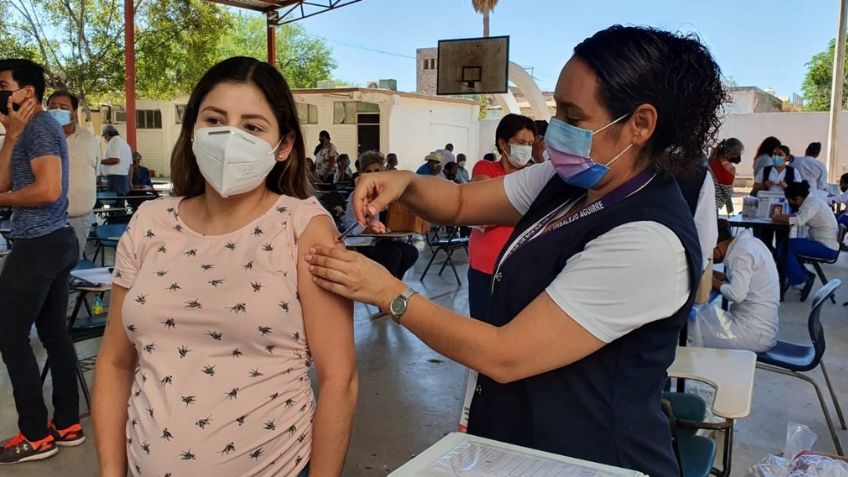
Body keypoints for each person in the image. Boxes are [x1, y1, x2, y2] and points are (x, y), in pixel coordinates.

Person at [306, 25, 722, 476]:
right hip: (524, 446)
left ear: (639, 124)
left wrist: (390, 293)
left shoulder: (648, 240)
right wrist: (404, 182)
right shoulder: (567, 182)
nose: (552, 133)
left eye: (573, 118)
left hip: (592, 459)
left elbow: (504, 355)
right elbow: (461, 202)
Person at [91, 57, 357, 477]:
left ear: (283, 145)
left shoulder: (304, 228)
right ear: (193, 129)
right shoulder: (150, 223)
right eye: (215, 119)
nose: (230, 137)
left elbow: (340, 380)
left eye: (252, 127)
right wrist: (110, 471)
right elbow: (114, 362)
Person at [0, 58, 81, 464]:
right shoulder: (22, 130)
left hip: (40, 245)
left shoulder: (43, 127)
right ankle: (67, 424)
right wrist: (10, 136)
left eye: (2, 85)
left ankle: (35, 434)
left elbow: (48, 191)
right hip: (49, 243)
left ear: (25, 92)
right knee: (54, 335)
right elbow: (2, 182)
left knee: (10, 336)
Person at [467, 113, 537, 321]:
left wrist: (500, 210)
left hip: (522, 269)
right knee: (483, 330)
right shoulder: (486, 168)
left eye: (531, 144)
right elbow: (479, 212)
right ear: (503, 144)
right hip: (485, 268)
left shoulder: (535, 175)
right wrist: (524, 213)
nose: (526, 149)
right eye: (521, 142)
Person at [691, 219, 779, 352]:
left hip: (751, 334)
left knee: (691, 329)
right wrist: (725, 278)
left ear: (716, 248)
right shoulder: (750, 243)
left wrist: (709, 279)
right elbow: (750, 284)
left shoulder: (740, 253)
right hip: (761, 329)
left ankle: (691, 371)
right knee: (701, 317)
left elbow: (736, 295)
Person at [341, 151, 418, 279]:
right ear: (362, 174)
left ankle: (395, 282)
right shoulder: (357, 195)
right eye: (369, 171)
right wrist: (367, 229)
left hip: (382, 240)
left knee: (411, 252)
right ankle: (390, 286)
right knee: (393, 254)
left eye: (377, 170)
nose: (373, 174)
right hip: (363, 242)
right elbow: (350, 226)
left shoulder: (387, 195)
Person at [47, 90, 98, 260]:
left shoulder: (88, 139)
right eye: (52, 107)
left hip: (79, 220)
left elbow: (94, 170)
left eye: (63, 107)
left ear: (74, 114)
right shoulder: (38, 136)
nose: (57, 111)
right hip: (45, 220)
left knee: (72, 269)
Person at [773, 181, 840, 300]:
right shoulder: (810, 201)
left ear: (797, 198)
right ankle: (804, 276)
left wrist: (778, 217)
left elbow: (798, 221)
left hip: (826, 247)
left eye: (791, 200)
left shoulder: (812, 203)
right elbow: (796, 216)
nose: (791, 203)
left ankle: (800, 281)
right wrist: (782, 217)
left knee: (786, 247)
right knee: (785, 246)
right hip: (820, 243)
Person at [708, 138, 743, 214]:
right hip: (713, 205)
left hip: (705, 201)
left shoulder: (712, 159)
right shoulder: (729, 168)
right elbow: (727, 193)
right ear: (728, 153)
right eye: (737, 154)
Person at [101, 124, 133, 196]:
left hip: (115, 179)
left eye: (105, 136)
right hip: (124, 178)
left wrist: (100, 161)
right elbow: (131, 165)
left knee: (114, 203)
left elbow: (115, 160)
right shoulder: (125, 144)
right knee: (120, 203)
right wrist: (130, 181)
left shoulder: (113, 143)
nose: (105, 139)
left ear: (107, 134)